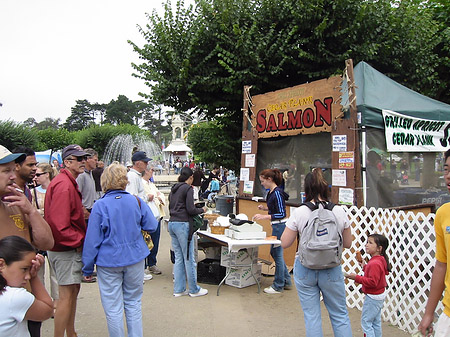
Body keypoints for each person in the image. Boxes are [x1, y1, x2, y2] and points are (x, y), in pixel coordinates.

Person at [82, 162, 157, 337]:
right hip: (135, 257)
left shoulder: (100, 205)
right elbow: (152, 225)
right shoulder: (136, 201)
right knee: (133, 303)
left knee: (113, 307)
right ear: (124, 181)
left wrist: (87, 267)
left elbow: (92, 241)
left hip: (108, 261)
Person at [281, 168, 353, 337]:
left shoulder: (300, 212)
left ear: (306, 188)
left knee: (312, 317)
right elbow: (348, 244)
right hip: (331, 267)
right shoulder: (339, 211)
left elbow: (285, 243)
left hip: (305, 267)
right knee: (340, 315)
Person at [0, 145, 54, 337]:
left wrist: (31, 211)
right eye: (6, 171)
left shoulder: (16, 203)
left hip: (26, 301)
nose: (13, 176)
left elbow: (47, 243)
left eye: (13, 169)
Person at [44, 144, 90, 337]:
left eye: (84, 158)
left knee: (71, 293)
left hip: (65, 248)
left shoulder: (66, 182)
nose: (84, 162)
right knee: (66, 296)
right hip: (65, 249)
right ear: (68, 162)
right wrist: (81, 242)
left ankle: (70, 333)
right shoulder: (64, 185)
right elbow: (60, 226)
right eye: (79, 159)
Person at [418, 149, 450, 337]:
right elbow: (441, 265)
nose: (448, 176)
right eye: (446, 170)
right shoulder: (443, 214)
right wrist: (429, 313)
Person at [0, 235, 53, 337]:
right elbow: (48, 310)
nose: (27, 276)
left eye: (30, 270)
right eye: (24, 269)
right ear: (1, 264)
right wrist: (34, 277)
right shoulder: (14, 297)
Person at [168, 167, 208, 297]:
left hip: (172, 223)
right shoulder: (188, 189)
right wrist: (202, 210)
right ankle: (194, 289)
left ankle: (178, 289)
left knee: (179, 257)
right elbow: (190, 210)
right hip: (183, 224)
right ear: (190, 178)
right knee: (189, 258)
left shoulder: (174, 189)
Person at [252, 168, 291, 294]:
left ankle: (278, 284)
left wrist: (264, 216)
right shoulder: (272, 193)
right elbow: (275, 209)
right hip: (276, 225)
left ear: (270, 179)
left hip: (279, 226)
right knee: (275, 253)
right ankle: (285, 280)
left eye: (263, 181)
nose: (262, 184)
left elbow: (281, 213)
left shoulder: (277, 193)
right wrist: (264, 209)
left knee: (277, 254)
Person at [345, 234, 390, 337]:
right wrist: (364, 265)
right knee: (375, 322)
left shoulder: (374, 263)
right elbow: (375, 274)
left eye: (370, 243)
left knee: (366, 322)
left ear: (379, 248)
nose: (366, 245)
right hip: (379, 295)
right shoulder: (380, 260)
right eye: (367, 242)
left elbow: (372, 281)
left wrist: (356, 277)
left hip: (373, 296)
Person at [31, 163, 59, 314]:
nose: (35, 177)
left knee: (55, 273)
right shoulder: (33, 192)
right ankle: (40, 302)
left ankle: (56, 302)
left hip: (52, 235)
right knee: (38, 271)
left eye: (38, 174)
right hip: (38, 236)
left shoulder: (55, 190)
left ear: (47, 175)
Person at [126, 151, 153, 282]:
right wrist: (146, 198)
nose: (147, 164)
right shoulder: (132, 176)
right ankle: (137, 274)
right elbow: (133, 198)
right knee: (136, 244)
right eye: (145, 162)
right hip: (135, 216)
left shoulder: (135, 176)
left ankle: (139, 272)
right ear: (138, 163)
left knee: (139, 244)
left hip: (138, 214)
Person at [142, 168, 166, 275]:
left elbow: (159, 195)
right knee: (146, 240)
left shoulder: (151, 184)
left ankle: (152, 263)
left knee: (155, 240)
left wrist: (157, 196)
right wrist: (155, 196)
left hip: (157, 214)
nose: (152, 172)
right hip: (148, 215)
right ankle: (145, 265)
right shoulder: (141, 184)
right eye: (150, 170)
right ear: (145, 171)